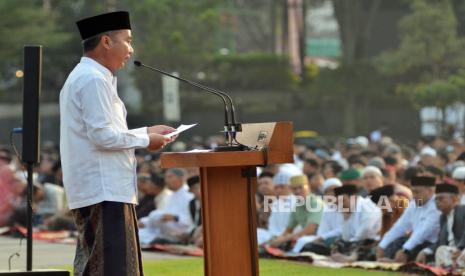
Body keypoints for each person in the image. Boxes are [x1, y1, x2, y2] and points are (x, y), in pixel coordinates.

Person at [59, 11, 175, 276]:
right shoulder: (92, 80)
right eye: (128, 40)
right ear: (106, 42)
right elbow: (102, 137)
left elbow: (105, 132)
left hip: (105, 189)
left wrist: (146, 130)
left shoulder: (92, 77)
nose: (131, 49)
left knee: (103, 266)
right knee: (113, 269)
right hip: (104, 191)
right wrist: (147, 139)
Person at [376, 176, 441, 263]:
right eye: (413, 192)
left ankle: (397, 262)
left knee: (412, 249)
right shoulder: (414, 204)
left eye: (417, 192)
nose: (414, 196)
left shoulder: (437, 205)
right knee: (392, 243)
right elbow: (400, 226)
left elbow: (423, 232)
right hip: (415, 241)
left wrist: (405, 250)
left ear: (430, 191)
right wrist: (382, 245)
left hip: (432, 244)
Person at [138, 169, 194, 245]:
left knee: (156, 216)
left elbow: (191, 219)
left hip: (180, 229)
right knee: (138, 233)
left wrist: (175, 217)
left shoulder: (189, 196)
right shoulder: (171, 196)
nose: (166, 180)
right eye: (166, 177)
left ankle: (174, 240)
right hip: (164, 228)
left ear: (181, 178)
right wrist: (143, 221)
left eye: (170, 177)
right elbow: (161, 214)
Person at [269, 175, 323, 250]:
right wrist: (278, 240)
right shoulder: (297, 206)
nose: (298, 191)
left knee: (300, 242)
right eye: (294, 189)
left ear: (308, 187)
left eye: (301, 187)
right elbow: (288, 229)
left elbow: (310, 229)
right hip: (308, 237)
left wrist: (286, 238)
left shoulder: (316, 202)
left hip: (322, 236)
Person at [416, 183, 465, 267]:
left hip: (461, 251)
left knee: (441, 251)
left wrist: (460, 248)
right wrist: (425, 251)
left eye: (441, 199)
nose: (437, 202)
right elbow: (440, 242)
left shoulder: (462, 210)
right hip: (451, 252)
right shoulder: (443, 217)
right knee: (439, 250)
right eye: (436, 199)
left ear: (454, 199)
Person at [330, 184, 382, 262]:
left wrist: (351, 243)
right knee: (337, 242)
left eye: (343, 200)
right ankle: (347, 255)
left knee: (364, 246)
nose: (341, 205)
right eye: (338, 202)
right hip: (355, 242)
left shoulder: (368, 206)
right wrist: (346, 219)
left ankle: (350, 257)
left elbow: (366, 230)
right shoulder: (348, 209)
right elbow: (346, 237)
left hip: (370, 241)